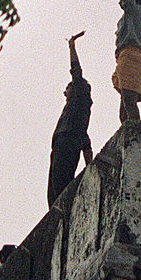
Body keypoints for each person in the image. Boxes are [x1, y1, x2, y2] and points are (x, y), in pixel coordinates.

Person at [47, 32, 93, 207]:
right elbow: (86, 140)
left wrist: (72, 47)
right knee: (53, 194)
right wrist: (90, 164)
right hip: (60, 144)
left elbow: (76, 71)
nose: (64, 92)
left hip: (67, 143)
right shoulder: (74, 112)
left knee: (60, 187)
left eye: (67, 87)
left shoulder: (81, 99)